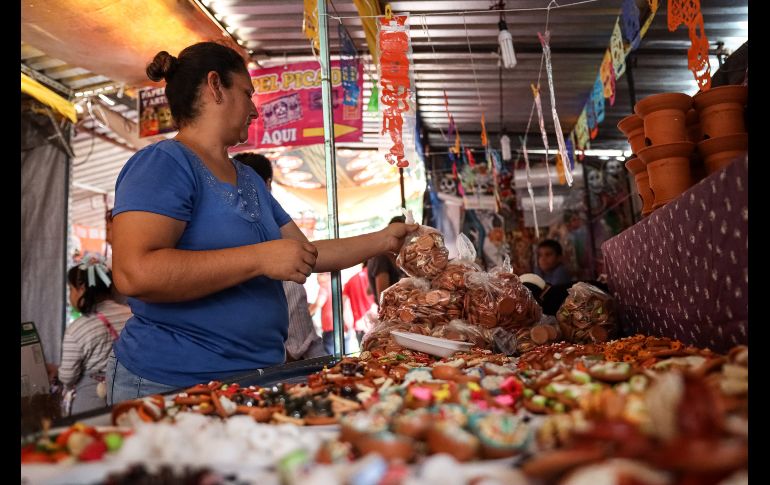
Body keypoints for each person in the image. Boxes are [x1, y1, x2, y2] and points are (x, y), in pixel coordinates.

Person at [107, 42, 415, 403]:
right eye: (247, 94)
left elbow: (307, 253)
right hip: (172, 383)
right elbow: (134, 273)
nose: (254, 110)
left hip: (252, 379)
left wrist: (386, 239)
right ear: (215, 86)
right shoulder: (164, 163)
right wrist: (259, 258)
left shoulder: (248, 179)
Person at [233, 151, 326, 361]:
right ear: (267, 183)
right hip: (283, 361)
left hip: (288, 357)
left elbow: (314, 252)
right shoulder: (269, 238)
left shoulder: (269, 222)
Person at [54, 257, 132, 414]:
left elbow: (67, 377)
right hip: (130, 393)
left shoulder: (77, 329)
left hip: (92, 401)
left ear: (81, 288)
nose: (70, 296)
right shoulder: (131, 314)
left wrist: (59, 373)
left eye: (70, 289)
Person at [367, 215, 407, 306]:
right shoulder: (381, 258)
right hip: (391, 313)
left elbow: (368, 289)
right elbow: (383, 297)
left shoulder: (394, 256)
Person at [343, 263, 376, 344]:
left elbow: (344, 305)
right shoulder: (375, 274)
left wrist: (345, 323)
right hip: (376, 324)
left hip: (359, 327)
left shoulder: (350, 281)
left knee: (364, 355)